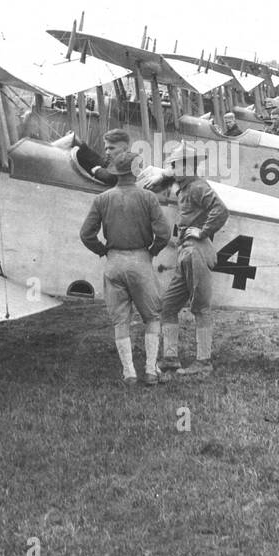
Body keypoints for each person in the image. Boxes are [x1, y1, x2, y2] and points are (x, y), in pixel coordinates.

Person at [79, 150, 171, 386]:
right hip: (140, 260)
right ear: (136, 171)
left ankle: (128, 372)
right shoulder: (148, 197)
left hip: (114, 262)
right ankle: (150, 370)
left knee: (120, 321)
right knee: (152, 316)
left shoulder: (102, 199)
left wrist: (102, 250)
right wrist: (152, 250)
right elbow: (164, 233)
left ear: (116, 173)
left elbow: (86, 234)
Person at [160, 144, 230, 378]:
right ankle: (170, 358)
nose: (172, 169)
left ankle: (204, 362)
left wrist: (202, 231)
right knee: (168, 306)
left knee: (200, 307)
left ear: (188, 165)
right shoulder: (184, 187)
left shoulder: (199, 186)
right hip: (184, 253)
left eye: (175, 165)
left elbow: (220, 209)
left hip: (196, 251)